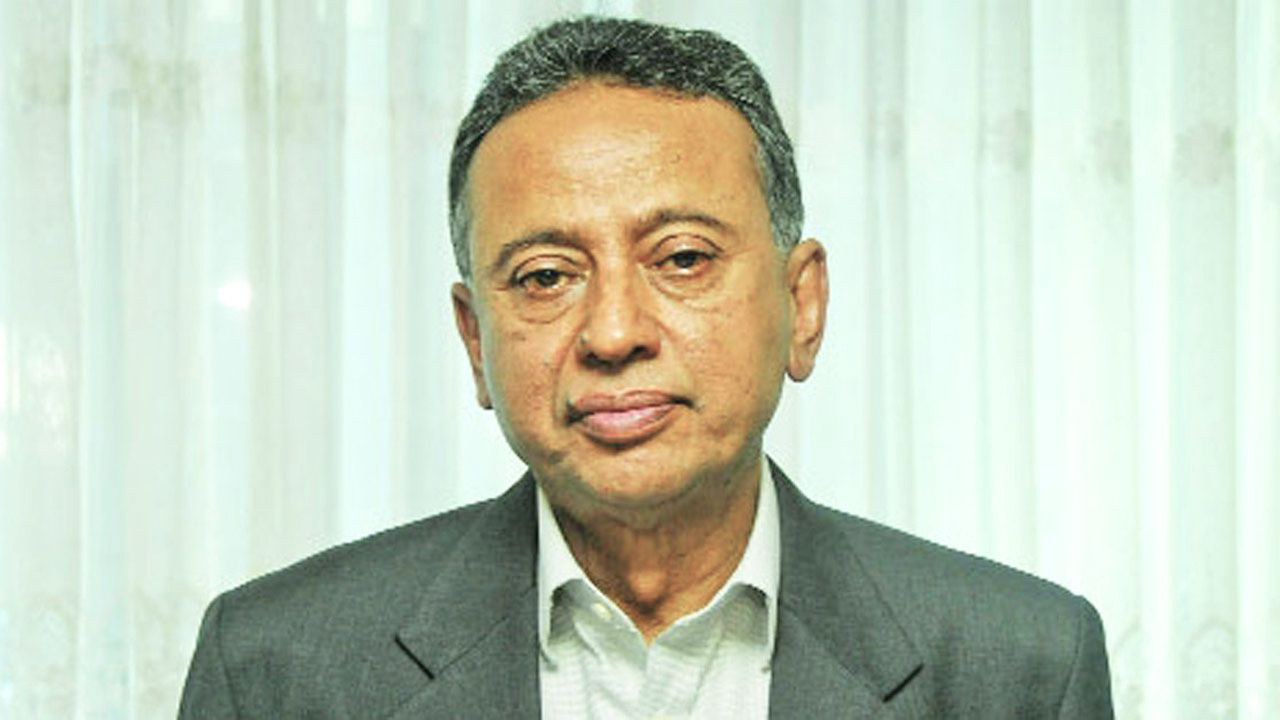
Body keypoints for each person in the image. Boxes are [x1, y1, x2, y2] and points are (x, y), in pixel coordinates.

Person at [179, 15, 1113, 718]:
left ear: (803, 306)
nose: (614, 332)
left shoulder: (1021, 668)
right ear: (475, 341)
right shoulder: (275, 670)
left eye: (683, 259)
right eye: (546, 276)